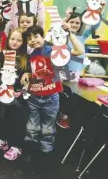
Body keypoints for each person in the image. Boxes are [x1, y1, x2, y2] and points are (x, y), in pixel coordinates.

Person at [21, 25, 84, 162]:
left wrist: (70, 33)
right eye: (29, 38)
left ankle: (46, 152)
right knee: (32, 126)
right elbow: (32, 71)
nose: (32, 40)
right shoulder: (32, 54)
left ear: (43, 36)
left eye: (36, 36)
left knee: (48, 128)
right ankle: (30, 150)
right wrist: (26, 73)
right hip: (34, 97)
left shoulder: (54, 50)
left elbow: (79, 51)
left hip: (51, 97)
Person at [0, 28, 29, 161]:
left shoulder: (25, 58)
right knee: (0, 117)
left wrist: (22, 91)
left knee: (16, 120)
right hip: (2, 93)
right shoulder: (0, 55)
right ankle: (2, 139)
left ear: (23, 42)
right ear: (8, 39)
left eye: (19, 40)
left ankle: (17, 146)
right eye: (13, 39)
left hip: (17, 95)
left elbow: (28, 79)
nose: (15, 42)